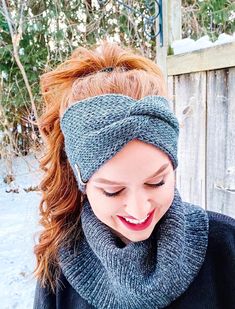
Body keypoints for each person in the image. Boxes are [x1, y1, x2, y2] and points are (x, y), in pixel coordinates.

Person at [33, 40, 235, 309]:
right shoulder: (58, 269)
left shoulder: (226, 247)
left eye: (156, 182)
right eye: (113, 191)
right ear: (82, 181)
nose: (139, 210)